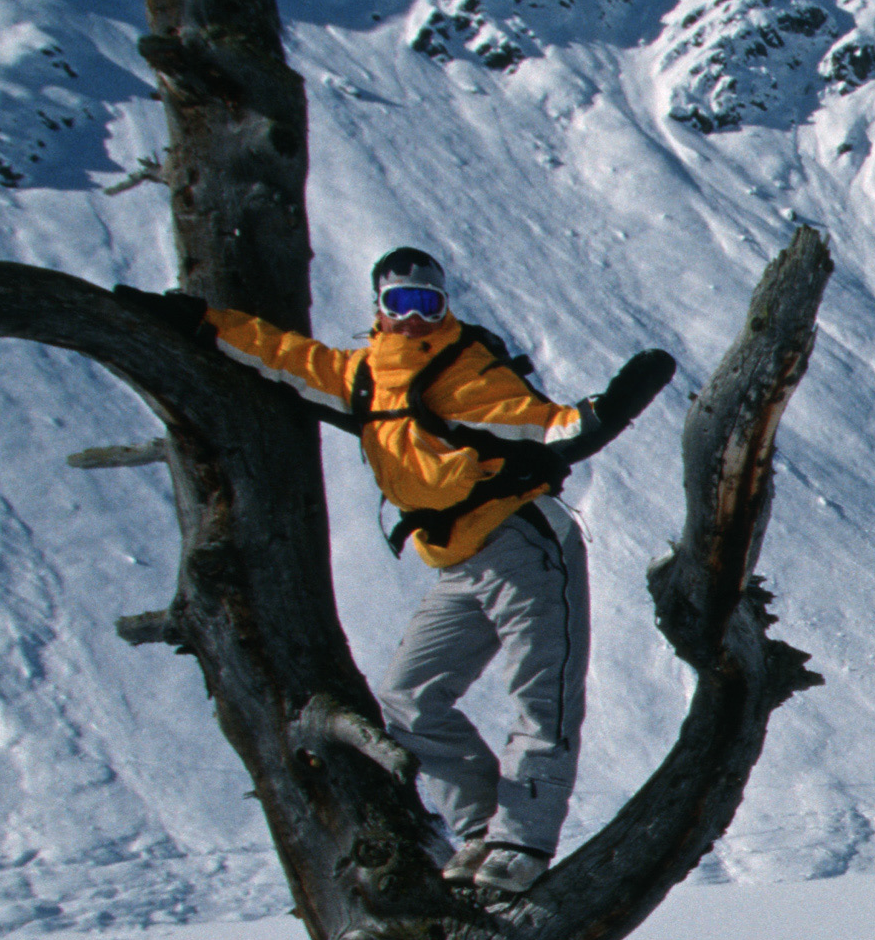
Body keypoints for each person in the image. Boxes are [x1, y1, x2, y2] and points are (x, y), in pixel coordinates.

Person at [204, 247, 673, 894]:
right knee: (409, 700)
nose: (416, 317)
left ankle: (521, 843)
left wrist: (609, 408)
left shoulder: (465, 372)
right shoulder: (366, 377)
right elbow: (286, 357)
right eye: (402, 303)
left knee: (543, 697)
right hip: (458, 561)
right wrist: (202, 323)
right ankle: (480, 831)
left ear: (445, 304)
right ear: (379, 308)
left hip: (524, 546)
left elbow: (552, 427)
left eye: (430, 303)